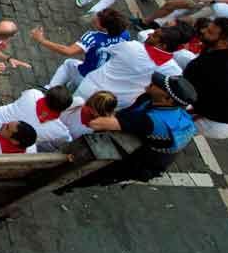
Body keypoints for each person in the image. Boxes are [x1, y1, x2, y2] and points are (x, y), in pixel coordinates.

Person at [68, 73, 198, 187]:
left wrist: (97, 108)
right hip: (150, 141)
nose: (153, 83)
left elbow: (96, 124)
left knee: (98, 173)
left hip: (145, 161)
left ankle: (69, 184)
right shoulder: (153, 100)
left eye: (159, 86)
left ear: (167, 100)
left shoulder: (151, 121)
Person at [75, 26, 188, 109]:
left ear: (162, 45)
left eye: (154, 35)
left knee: (69, 109)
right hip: (116, 102)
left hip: (92, 87)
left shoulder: (132, 46)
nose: (149, 35)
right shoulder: (173, 69)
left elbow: (107, 50)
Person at [182, 18, 228, 138]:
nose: (203, 31)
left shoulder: (210, 67)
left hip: (224, 122)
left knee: (171, 129)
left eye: (210, 32)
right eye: (207, 28)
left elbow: (181, 93)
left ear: (224, 43)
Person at [32, 8, 131, 90]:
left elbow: (68, 51)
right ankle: (71, 87)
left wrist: (42, 40)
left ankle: (49, 89)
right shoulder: (125, 35)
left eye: (98, 20)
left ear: (105, 28)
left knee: (68, 64)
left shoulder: (93, 37)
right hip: (103, 79)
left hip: (86, 75)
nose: (95, 18)